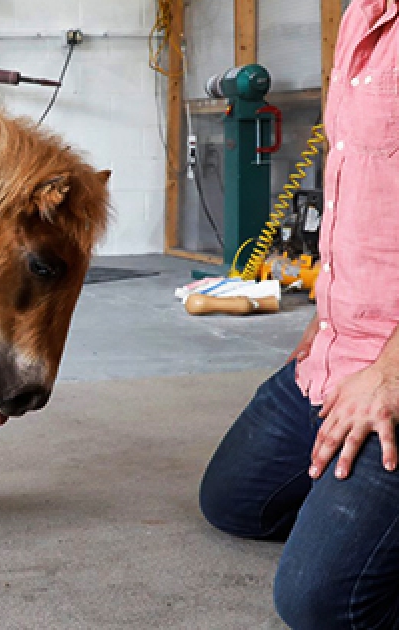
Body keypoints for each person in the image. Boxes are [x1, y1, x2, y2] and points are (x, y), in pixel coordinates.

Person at [199, 1, 399, 627]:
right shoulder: (362, 16)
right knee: (233, 501)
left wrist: (389, 373)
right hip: (341, 346)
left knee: (322, 603)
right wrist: (327, 311)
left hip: (392, 367)